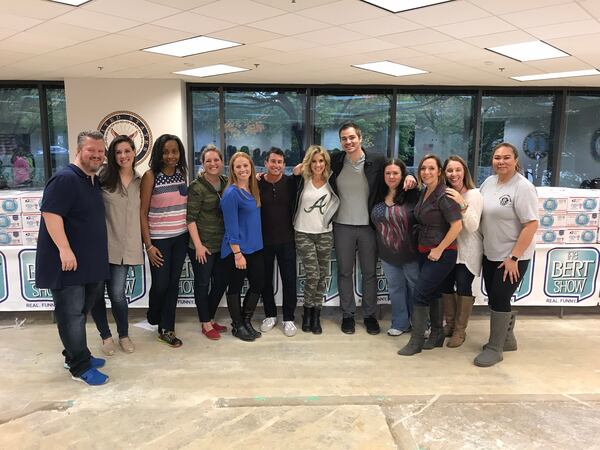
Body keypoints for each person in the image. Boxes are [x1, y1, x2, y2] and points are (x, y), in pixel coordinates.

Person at [35, 130, 110, 385]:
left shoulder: (91, 179)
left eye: (100, 152)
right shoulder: (65, 179)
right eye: (91, 151)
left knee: (81, 311)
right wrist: (65, 249)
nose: (97, 156)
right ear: (78, 150)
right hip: (68, 263)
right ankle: (79, 367)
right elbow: (51, 214)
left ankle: (77, 354)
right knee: (71, 316)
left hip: (89, 263)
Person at [329, 122, 415, 335]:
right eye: (344, 139)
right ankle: (348, 315)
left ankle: (369, 315)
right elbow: (315, 166)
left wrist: (411, 176)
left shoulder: (376, 160)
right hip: (342, 225)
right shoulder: (336, 160)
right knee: (345, 272)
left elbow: (395, 170)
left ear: (360, 138)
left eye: (352, 137)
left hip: (369, 226)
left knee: (369, 273)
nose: (348, 142)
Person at [474, 143, 538, 367]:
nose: (501, 161)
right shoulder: (489, 182)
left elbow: (531, 224)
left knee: (500, 298)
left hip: (512, 257)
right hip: (491, 253)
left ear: (516, 160)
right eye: (497, 157)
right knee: (494, 297)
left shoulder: (523, 187)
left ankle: (495, 348)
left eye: (506, 157)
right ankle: (508, 339)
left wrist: (514, 258)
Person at [398, 154, 462, 356]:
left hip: (442, 253)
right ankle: (437, 335)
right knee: (434, 292)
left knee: (420, 293)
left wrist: (440, 248)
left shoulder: (445, 195)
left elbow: (457, 225)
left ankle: (416, 341)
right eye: (423, 168)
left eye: (431, 168)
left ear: (439, 171)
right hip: (425, 250)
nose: (426, 172)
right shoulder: (425, 192)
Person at [90, 135, 143, 356]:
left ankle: (123, 334)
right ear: (113, 155)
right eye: (118, 152)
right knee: (95, 295)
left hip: (125, 249)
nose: (123, 156)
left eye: (127, 151)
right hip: (100, 246)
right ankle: (106, 337)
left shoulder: (141, 180)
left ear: (134, 152)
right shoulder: (102, 177)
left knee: (118, 295)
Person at [140, 134, 188, 348]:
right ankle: (154, 314)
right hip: (159, 239)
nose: (170, 156)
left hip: (180, 237)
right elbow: (142, 213)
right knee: (160, 284)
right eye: (166, 151)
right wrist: (148, 245)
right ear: (159, 153)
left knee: (173, 284)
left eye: (174, 151)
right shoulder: (151, 176)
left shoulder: (182, 174)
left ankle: (166, 328)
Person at [293, 145, 339, 334]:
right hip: (303, 232)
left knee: (322, 276)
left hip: (325, 233)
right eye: (314, 161)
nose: (318, 164)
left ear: (326, 163)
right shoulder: (301, 179)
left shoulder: (332, 180)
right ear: (308, 163)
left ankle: (316, 314)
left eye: (321, 161)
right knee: (313, 275)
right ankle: (307, 311)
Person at [371, 159, 419, 337]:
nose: (391, 176)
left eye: (396, 173)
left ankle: (422, 323)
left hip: (411, 253)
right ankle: (400, 323)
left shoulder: (412, 194)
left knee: (416, 288)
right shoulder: (377, 195)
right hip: (387, 254)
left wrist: (412, 177)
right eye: (388, 173)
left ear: (403, 175)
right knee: (395, 288)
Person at [186, 145, 229, 340]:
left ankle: (210, 318)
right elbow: (190, 218)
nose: (213, 164)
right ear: (202, 164)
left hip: (222, 244)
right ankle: (205, 322)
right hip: (202, 245)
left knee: (220, 282)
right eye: (208, 161)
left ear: (222, 162)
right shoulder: (197, 186)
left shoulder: (226, 182)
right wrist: (198, 245)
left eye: (216, 160)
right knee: (202, 283)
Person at [221, 152, 264, 342]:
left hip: (255, 247)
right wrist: (237, 253)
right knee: (235, 287)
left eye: (245, 165)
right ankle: (237, 325)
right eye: (238, 166)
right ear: (232, 170)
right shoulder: (231, 193)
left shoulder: (253, 188)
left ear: (251, 167)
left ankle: (246, 320)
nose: (242, 169)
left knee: (258, 284)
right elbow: (230, 226)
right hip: (238, 250)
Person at [440, 155, 483, 348]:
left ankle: (460, 330)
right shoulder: (443, 193)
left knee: (463, 287)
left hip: (467, 252)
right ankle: (449, 325)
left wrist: (462, 203)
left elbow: (473, 226)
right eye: (450, 170)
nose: (454, 174)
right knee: (446, 286)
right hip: (449, 250)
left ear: (464, 171)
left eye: (458, 170)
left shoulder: (474, 195)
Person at [258, 148, 298, 337]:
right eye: (273, 161)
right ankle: (270, 315)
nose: (276, 165)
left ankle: (289, 318)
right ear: (265, 163)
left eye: (280, 162)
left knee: (289, 280)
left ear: (284, 164)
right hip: (264, 241)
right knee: (264, 280)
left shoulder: (291, 183)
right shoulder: (256, 184)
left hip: (287, 240)